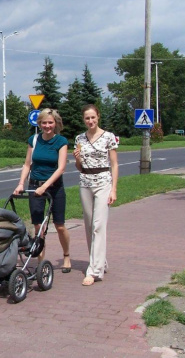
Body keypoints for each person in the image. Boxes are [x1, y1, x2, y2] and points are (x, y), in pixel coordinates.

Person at [13, 108, 71, 272]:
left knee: (59, 225)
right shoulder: (34, 139)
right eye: (44, 122)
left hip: (54, 186)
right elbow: (27, 164)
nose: (47, 126)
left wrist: (45, 186)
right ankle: (41, 262)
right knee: (39, 227)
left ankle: (66, 255)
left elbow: (61, 168)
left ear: (56, 124)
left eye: (50, 122)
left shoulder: (61, 141)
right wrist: (20, 183)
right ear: (40, 123)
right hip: (34, 184)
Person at [73, 104, 119, 286]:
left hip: (103, 182)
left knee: (99, 225)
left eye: (93, 117)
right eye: (87, 118)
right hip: (85, 182)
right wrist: (77, 157)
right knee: (89, 224)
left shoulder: (108, 137)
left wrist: (114, 189)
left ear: (98, 116)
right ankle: (101, 261)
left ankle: (94, 271)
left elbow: (114, 164)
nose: (90, 121)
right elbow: (79, 166)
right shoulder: (80, 138)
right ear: (83, 120)